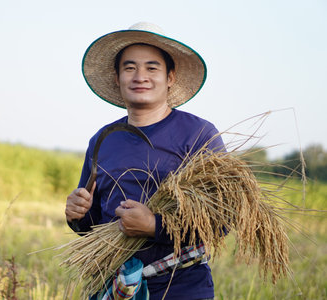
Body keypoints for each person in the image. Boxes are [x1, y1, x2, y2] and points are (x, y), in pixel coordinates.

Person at [65, 22, 224, 300]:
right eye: (130, 68)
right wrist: (78, 216)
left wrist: (154, 226)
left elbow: (222, 219)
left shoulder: (199, 135)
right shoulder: (103, 140)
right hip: (114, 286)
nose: (140, 76)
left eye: (152, 68)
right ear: (117, 77)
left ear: (170, 77)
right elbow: (91, 226)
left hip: (181, 286)